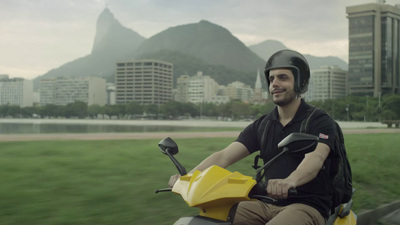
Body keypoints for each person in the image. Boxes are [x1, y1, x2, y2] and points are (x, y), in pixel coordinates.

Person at [168, 49, 336, 225]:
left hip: (306, 205)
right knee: (214, 218)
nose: (275, 84)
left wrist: (289, 182)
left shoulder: (318, 121)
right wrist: (188, 177)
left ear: (300, 83)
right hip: (265, 203)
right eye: (271, 79)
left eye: (283, 78)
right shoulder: (263, 125)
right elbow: (224, 156)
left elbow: (315, 158)